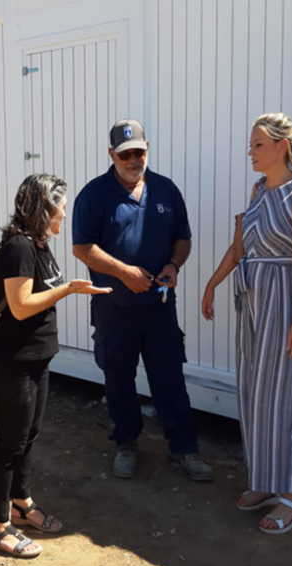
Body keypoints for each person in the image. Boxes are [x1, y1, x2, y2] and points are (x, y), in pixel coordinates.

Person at [201, 113, 292, 534]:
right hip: (250, 298)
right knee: (253, 392)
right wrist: (213, 283)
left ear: (281, 146)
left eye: (258, 145)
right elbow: (241, 249)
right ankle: (265, 481)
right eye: (251, 144)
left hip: (284, 299)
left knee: (280, 395)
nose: (250, 152)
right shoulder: (258, 190)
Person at [71, 118, 213, 481]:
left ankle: (183, 448)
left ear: (147, 149)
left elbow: (182, 237)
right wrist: (123, 272)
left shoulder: (165, 190)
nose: (134, 160)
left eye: (139, 152)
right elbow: (82, 247)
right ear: (111, 155)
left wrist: (174, 264)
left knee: (169, 377)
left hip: (159, 306)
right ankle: (126, 443)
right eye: (125, 154)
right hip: (113, 307)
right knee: (118, 377)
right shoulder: (94, 194)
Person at [0, 174, 111, 558]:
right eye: (60, 208)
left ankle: (21, 504)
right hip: (13, 363)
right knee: (9, 444)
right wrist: (68, 289)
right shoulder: (20, 248)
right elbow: (21, 306)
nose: (64, 215)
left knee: (28, 436)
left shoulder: (39, 245)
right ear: (42, 207)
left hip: (35, 360)